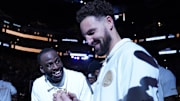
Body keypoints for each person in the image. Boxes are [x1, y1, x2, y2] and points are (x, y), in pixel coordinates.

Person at [53, 0, 160, 101]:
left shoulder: (132, 56)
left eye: (91, 33)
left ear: (109, 22)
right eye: (85, 37)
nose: (89, 41)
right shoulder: (108, 63)